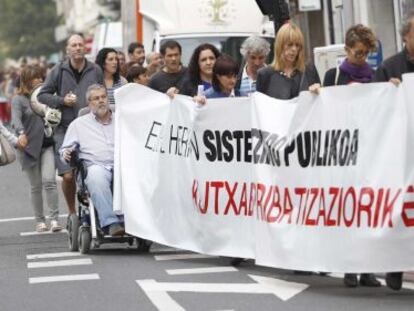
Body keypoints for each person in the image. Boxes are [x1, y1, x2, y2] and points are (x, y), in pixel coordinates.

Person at [323, 24, 381, 288]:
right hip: (343, 153)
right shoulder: (333, 75)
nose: (362, 58)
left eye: (366, 53)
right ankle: (349, 267)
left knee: (367, 211)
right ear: (346, 49)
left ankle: (367, 268)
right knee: (348, 211)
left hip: (368, 152)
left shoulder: (375, 76)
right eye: (358, 52)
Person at [37, 34, 104, 219]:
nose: (77, 48)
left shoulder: (95, 69)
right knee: (67, 176)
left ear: (85, 48)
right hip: (65, 129)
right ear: (68, 50)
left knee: (94, 170)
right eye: (73, 45)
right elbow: (42, 95)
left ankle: (94, 209)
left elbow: (102, 94)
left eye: (80, 45)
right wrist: (62, 100)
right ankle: (72, 212)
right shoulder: (59, 70)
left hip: (91, 128)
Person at [373, 11, 414, 291]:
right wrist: (390, 91)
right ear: (405, 37)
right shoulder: (390, 67)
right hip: (399, 151)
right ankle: (394, 264)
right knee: (400, 208)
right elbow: (375, 105)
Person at [60, 84, 124, 236]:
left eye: (103, 97)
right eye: (96, 99)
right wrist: (66, 153)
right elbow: (64, 150)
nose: (101, 101)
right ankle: (111, 223)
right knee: (95, 176)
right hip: (96, 166)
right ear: (89, 103)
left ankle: (133, 221)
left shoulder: (122, 119)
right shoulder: (78, 124)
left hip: (122, 165)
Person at [11, 65, 62, 232]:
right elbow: (16, 120)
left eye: (41, 77)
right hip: (28, 148)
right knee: (35, 185)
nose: (40, 80)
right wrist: (20, 133)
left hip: (47, 144)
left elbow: (56, 113)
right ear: (26, 80)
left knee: (49, 181)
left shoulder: (45, 96)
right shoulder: (18, 100)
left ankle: (54, 219)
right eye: (35, 77)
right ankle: (40, 220)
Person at [256, 22, 321, 99]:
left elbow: (319, 102)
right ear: (280, 45)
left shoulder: (309, 70)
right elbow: (261, 106)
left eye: (297, 45)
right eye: (290, 45)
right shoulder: (265, 74)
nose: (294, 49)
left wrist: (318, 91)